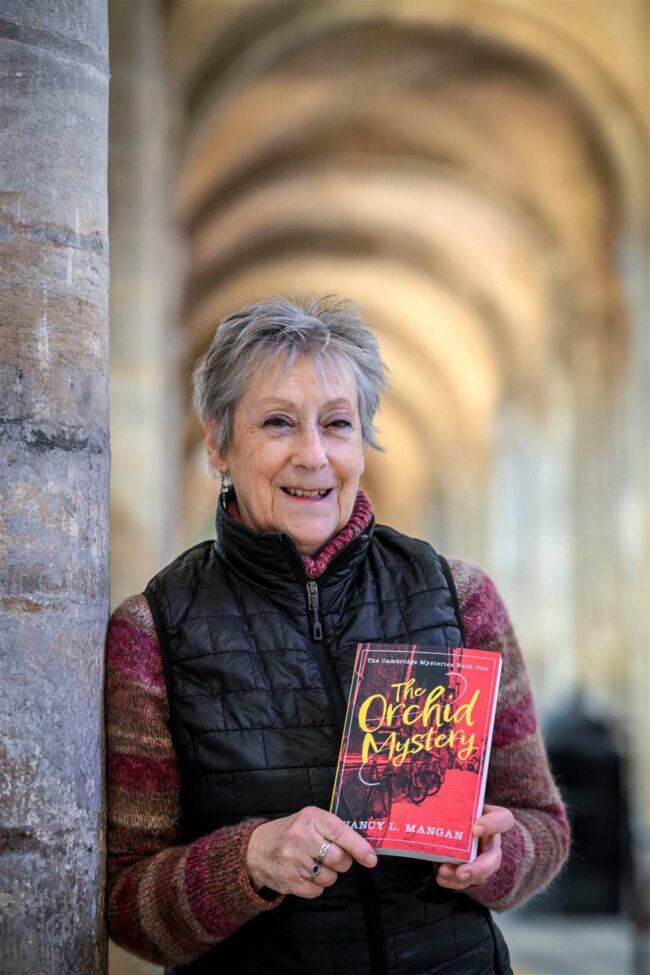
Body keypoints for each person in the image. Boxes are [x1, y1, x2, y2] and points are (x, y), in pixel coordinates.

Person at [106, 296, 569, 975]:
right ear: (218, 443)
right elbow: (128, 906)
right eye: (278, 422)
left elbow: (542, 824)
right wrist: (246, 862)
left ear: (363, 441)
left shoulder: (461, 598)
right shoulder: (152, 632)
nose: (313, 455)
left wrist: (501, 856)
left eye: (337, 423)